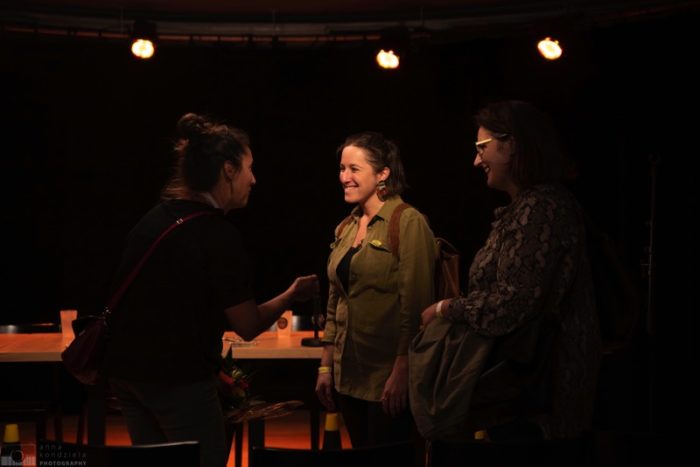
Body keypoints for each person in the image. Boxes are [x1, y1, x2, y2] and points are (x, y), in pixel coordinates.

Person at [104, 113, 319, 467]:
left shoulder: (153, 219)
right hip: (177, 379)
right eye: (249, 168)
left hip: (126, 376)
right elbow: (247, 325)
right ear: (229, 170)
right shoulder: (217, 235)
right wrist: (291, 295)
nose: (254, 179)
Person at [421, 100, 601, 440]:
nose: (476, 160)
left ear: (512, 144)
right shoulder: (527, 207)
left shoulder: (543, 207)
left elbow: (513, 303)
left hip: (540, 391)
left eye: (482, 147)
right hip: (523, 389)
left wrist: (446, 308)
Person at [315, 131, 437, 447]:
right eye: (342, 168)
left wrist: (402, 370)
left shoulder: (407, 222)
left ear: (382, 173)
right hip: (348, 377)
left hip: (388, 378)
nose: (344, 177)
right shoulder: (347, 227)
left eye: (354, 169)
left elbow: (416, 306)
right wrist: (326, 366)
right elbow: (335, 300)